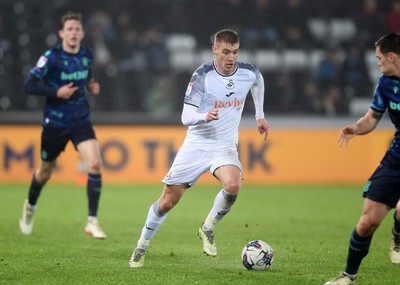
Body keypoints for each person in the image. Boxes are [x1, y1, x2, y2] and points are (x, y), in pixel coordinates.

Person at [128, 28, 269, 268]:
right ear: (215, 49)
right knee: (167, 202)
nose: (230, 58)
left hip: (224, 145)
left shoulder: (247, 71)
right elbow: (185, 116)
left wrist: (260, 115)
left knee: (233, 185)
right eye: (225, 52)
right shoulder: (202, 76)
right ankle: (142, 245)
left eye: (234, 52)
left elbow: (258, 80)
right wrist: (204, 116)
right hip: (197, 144)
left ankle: (207, 228)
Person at [19, 12, 106, 239]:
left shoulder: (87, 55)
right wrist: (56, 92)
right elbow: (29, 85)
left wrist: (91, 85)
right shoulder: (51, 57)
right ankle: (30, 206)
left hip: (80, 119)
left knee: (95, 164)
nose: (74, 33)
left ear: (82, 33)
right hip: (55, 123)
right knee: (45, 171)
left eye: (77, 29)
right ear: (61, 33)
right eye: (69, 29)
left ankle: (92, 221)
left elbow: (87, 77)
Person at [325, 32, 400, 285]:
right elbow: (372, 117)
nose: (378, 62)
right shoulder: (386, 83)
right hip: (396, 158)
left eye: (379, 58)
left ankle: (398, 231)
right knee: (367, 221)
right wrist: (356, 128)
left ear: (392, 56)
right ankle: (348, 276)